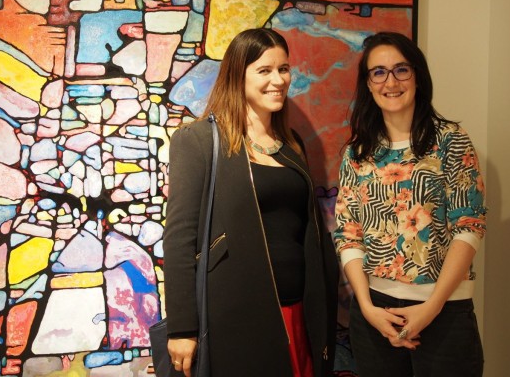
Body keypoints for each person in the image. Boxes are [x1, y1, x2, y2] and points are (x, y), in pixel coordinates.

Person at [163, 28, 339, 377]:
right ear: (237, 76)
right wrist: (182, 328)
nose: (279, 80)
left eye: (284, 69)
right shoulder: (198, 140)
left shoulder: (291, 143)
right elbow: (180, 237)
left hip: (298, 313)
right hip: (237, 318)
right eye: (264, 70)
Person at [333, 32, 487, 377]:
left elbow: (470, 225)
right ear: (368, 83)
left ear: (417, 76)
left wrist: (431, 307)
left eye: (401, 70)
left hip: (445, 310)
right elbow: (347, 234)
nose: (391, 82)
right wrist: (366, 306)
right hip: (375, 314)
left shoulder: (451, 140)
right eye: (379, 72)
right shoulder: (358, 153)